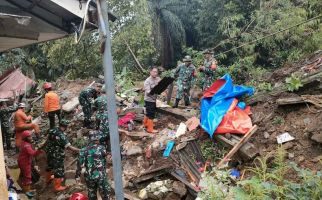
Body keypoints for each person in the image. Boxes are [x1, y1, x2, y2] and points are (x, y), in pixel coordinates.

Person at [45, 119, 80, 191]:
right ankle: (57, 187)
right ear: (66, 126)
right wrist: (81, 150)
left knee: (50, 166)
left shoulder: (53, 130)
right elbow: (70, 147)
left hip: (49, 152)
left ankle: (48, 179)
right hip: (57, 155)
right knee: (58, 169)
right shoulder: (61, 136)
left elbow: (47, 139)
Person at [75, 131, 111, 200]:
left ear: (89, 139)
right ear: (97, 139)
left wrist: (77, 176)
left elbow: (79, 164)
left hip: (89, 177)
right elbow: (107, 158)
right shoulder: (102, 148)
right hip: (101, 176)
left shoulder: (83, 150)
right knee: (105, 195)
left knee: (92, 195)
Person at [17, 130, 43, 197]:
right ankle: (27, 191)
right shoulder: (26, 146)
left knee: (23, 174)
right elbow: (32, 153)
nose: (31, 138)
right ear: (25, 138)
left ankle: (20, 184)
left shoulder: (24, 143)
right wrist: (39, 150)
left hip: (22, 161)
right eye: (29, 137)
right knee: (28, 176)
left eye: (31, 136)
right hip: (25, 162)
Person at [143, 66, 161, 133]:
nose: (155, 73)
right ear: (150, 72)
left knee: (148, 113)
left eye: (156, 72)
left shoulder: (158, 79)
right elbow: (148, 92)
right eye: (154, 72)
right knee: (151, 114)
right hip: (149, 99)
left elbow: (161, 85)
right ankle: (150, 129)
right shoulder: (147, 81)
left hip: (154, 99)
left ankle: (145, 124)